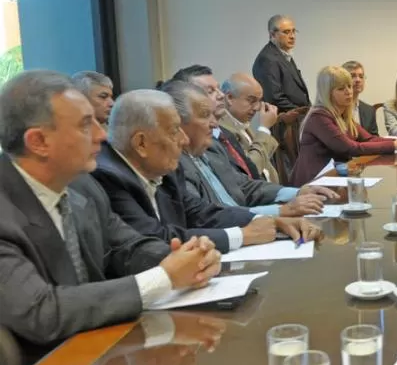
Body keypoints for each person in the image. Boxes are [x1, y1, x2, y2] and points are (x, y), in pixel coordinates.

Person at [0, 70, 221, 354]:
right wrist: (164, 278)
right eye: (84, 125)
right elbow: (42, 313)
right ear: (38, 142)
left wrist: (191, 259)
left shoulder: (83, 187)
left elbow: (127, 248)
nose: (101, 134)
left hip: (99, 351)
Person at [93, 89, 301, 254]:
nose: (183, 140)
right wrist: (243, 235)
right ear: (140, 143)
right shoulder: (108, 178)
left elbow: (201, 213)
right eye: (175, 130)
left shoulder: (164, 170)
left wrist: (264, 220)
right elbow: (155, 239)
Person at [161, 81, 327, 237]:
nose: (214, 123)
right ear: (178, 122)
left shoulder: (213, 147)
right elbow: (205, 218)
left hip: (252, 227)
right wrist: (280, 211)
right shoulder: (174, 166)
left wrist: (296, 193)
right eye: (205, 115)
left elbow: (244, 185)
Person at [291, 66, 397, 186]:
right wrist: (394, 145)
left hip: (335, 178)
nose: (349, 92)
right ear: (327, 93)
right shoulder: (319, 117)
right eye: (341, 88)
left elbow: (369, 138)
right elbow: (351, 148)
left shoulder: (343, 116)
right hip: (314, 183)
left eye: (349, 86)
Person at [220, 73, 281, 182]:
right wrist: (264, 129)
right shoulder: (221, 128)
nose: (257, 107)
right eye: (251, 100)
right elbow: (250, 169)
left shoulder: (240, 122)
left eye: (259, 101)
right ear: (229, 98)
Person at [252, 14, 310, 111]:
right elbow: (274, 98)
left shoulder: (283, 53)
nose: (292, 36)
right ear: (272, 34)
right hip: (284, 121)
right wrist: (302, 112)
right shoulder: (267, 59)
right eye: (286, 32)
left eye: (293, 31)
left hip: (297, 119)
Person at [344, 61, 379, 136]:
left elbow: (375, 138)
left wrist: (394, 141)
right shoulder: (334, 109)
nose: (358, 80)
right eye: (352, 76)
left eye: (361, 76)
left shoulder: (369, 110)